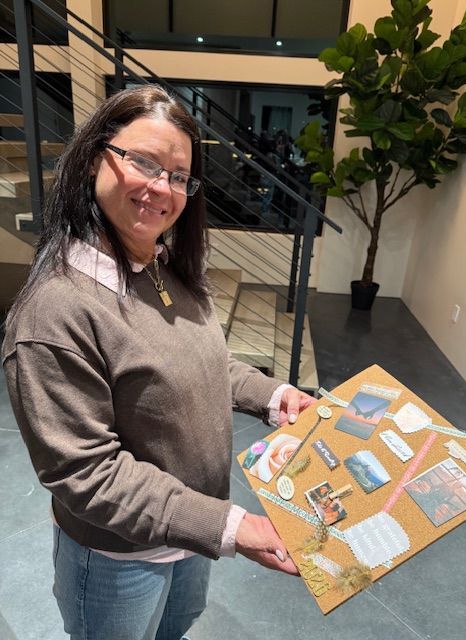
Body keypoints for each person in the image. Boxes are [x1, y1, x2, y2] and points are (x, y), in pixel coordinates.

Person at [1, 85, 316, 640]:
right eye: (143, 162)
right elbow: (87, 474)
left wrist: (274, 396)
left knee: (176, 627)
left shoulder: (163, 265)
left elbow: (202, 362)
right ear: (94, 156)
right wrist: (231, 526)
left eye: (178, 176)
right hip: (119, 557)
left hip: (190, 534)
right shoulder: (56, 312)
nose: (160, 188)